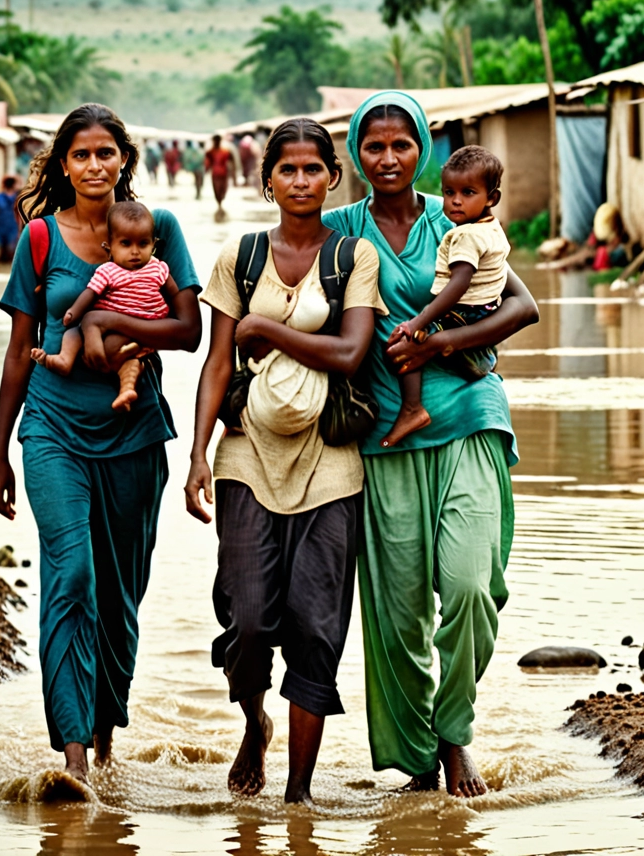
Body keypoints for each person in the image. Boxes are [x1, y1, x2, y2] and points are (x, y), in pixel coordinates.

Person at [321, 90, 538, 798]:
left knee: (472, 587)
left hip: (469, 416)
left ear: (424, 148)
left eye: (402, 145)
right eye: (374, 146)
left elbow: (522, 306)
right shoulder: (336, 229)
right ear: (355, 152)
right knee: (398, 613)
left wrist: (439, 340)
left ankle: (454, 736)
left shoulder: (459, 212)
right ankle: (417, 755)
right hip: (384, 436)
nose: (388, 159)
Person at [0, 103, 202, 791]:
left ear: (125, 160)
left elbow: (191, 330)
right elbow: (22, 347)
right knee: (73, 575)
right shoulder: (41, 239)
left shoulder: (155, 230)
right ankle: (75, 756)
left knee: (121, 594)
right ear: (63, 164)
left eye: (106, 153)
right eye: (81, 155)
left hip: (134, 431)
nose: (94, 166)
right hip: (51, 427)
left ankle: (107, 736)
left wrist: (108, 317)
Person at [185, 118, 386, 806]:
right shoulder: (239, 257)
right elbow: (217, 360)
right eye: (287, 169)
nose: (301, 181)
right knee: (247, 618)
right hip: (245, 457)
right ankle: (253, 720)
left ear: (332, 178)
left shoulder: (352, 256)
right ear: (266, 178)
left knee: (316, 623)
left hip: (331, 463)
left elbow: (352, 352)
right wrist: (195, 457)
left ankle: (298, 795)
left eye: (313, 169)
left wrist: (268, 328)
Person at [383, 145, 510, 445]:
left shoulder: (464, 235)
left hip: (465, 312)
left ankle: (412, 409)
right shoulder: (492, 228)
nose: (455, 201)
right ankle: (482, 358)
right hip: (487, 309)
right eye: (449, 192)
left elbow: (458, 285)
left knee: (405, 346)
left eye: (467, 193)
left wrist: (419, 322)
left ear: (492, 198)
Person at [31, 200, 179, 412]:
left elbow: (175, 296)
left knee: (85, 339)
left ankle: (117, 385)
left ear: (153, 245)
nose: (135, 252)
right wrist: (73, 312)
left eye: (143, 244)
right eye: (126, 244)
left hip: (132, 329)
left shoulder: (156, 268)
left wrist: (173, 312)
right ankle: (72, 363)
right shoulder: (111, 270)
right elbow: (89, 295)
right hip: (124, 330)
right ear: (109, 247)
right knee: (84, 339)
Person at [204, 134, 235, 219]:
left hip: (224, 174)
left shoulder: (226, 151)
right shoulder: (210, 152)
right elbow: (207, 163)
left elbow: (232, 161)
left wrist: (233, 174)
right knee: (217, 191)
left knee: (223, 190)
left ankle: (220, 206)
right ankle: (219, 206)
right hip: (215, 174)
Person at [0, 175, 21, 263]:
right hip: (10, 226)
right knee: (7, 252)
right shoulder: (18, 198)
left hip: (5, 226)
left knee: (6, 251)